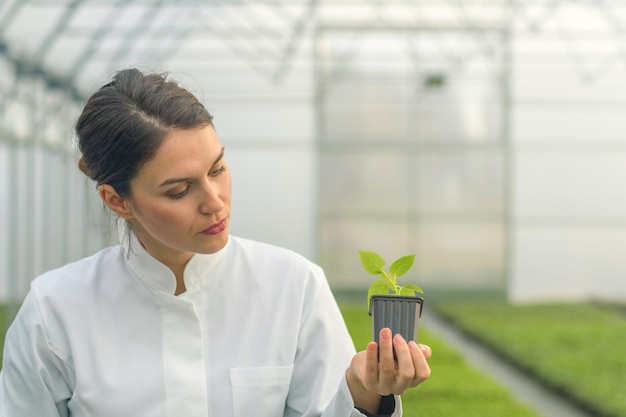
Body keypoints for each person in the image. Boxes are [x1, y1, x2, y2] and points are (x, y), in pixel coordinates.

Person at [0, 68, 431, 417]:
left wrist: (362, 393)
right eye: (179, 190)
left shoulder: (294, 286)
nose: (215, 202)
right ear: (117, 201)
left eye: (218, 169)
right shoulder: (54, 313)